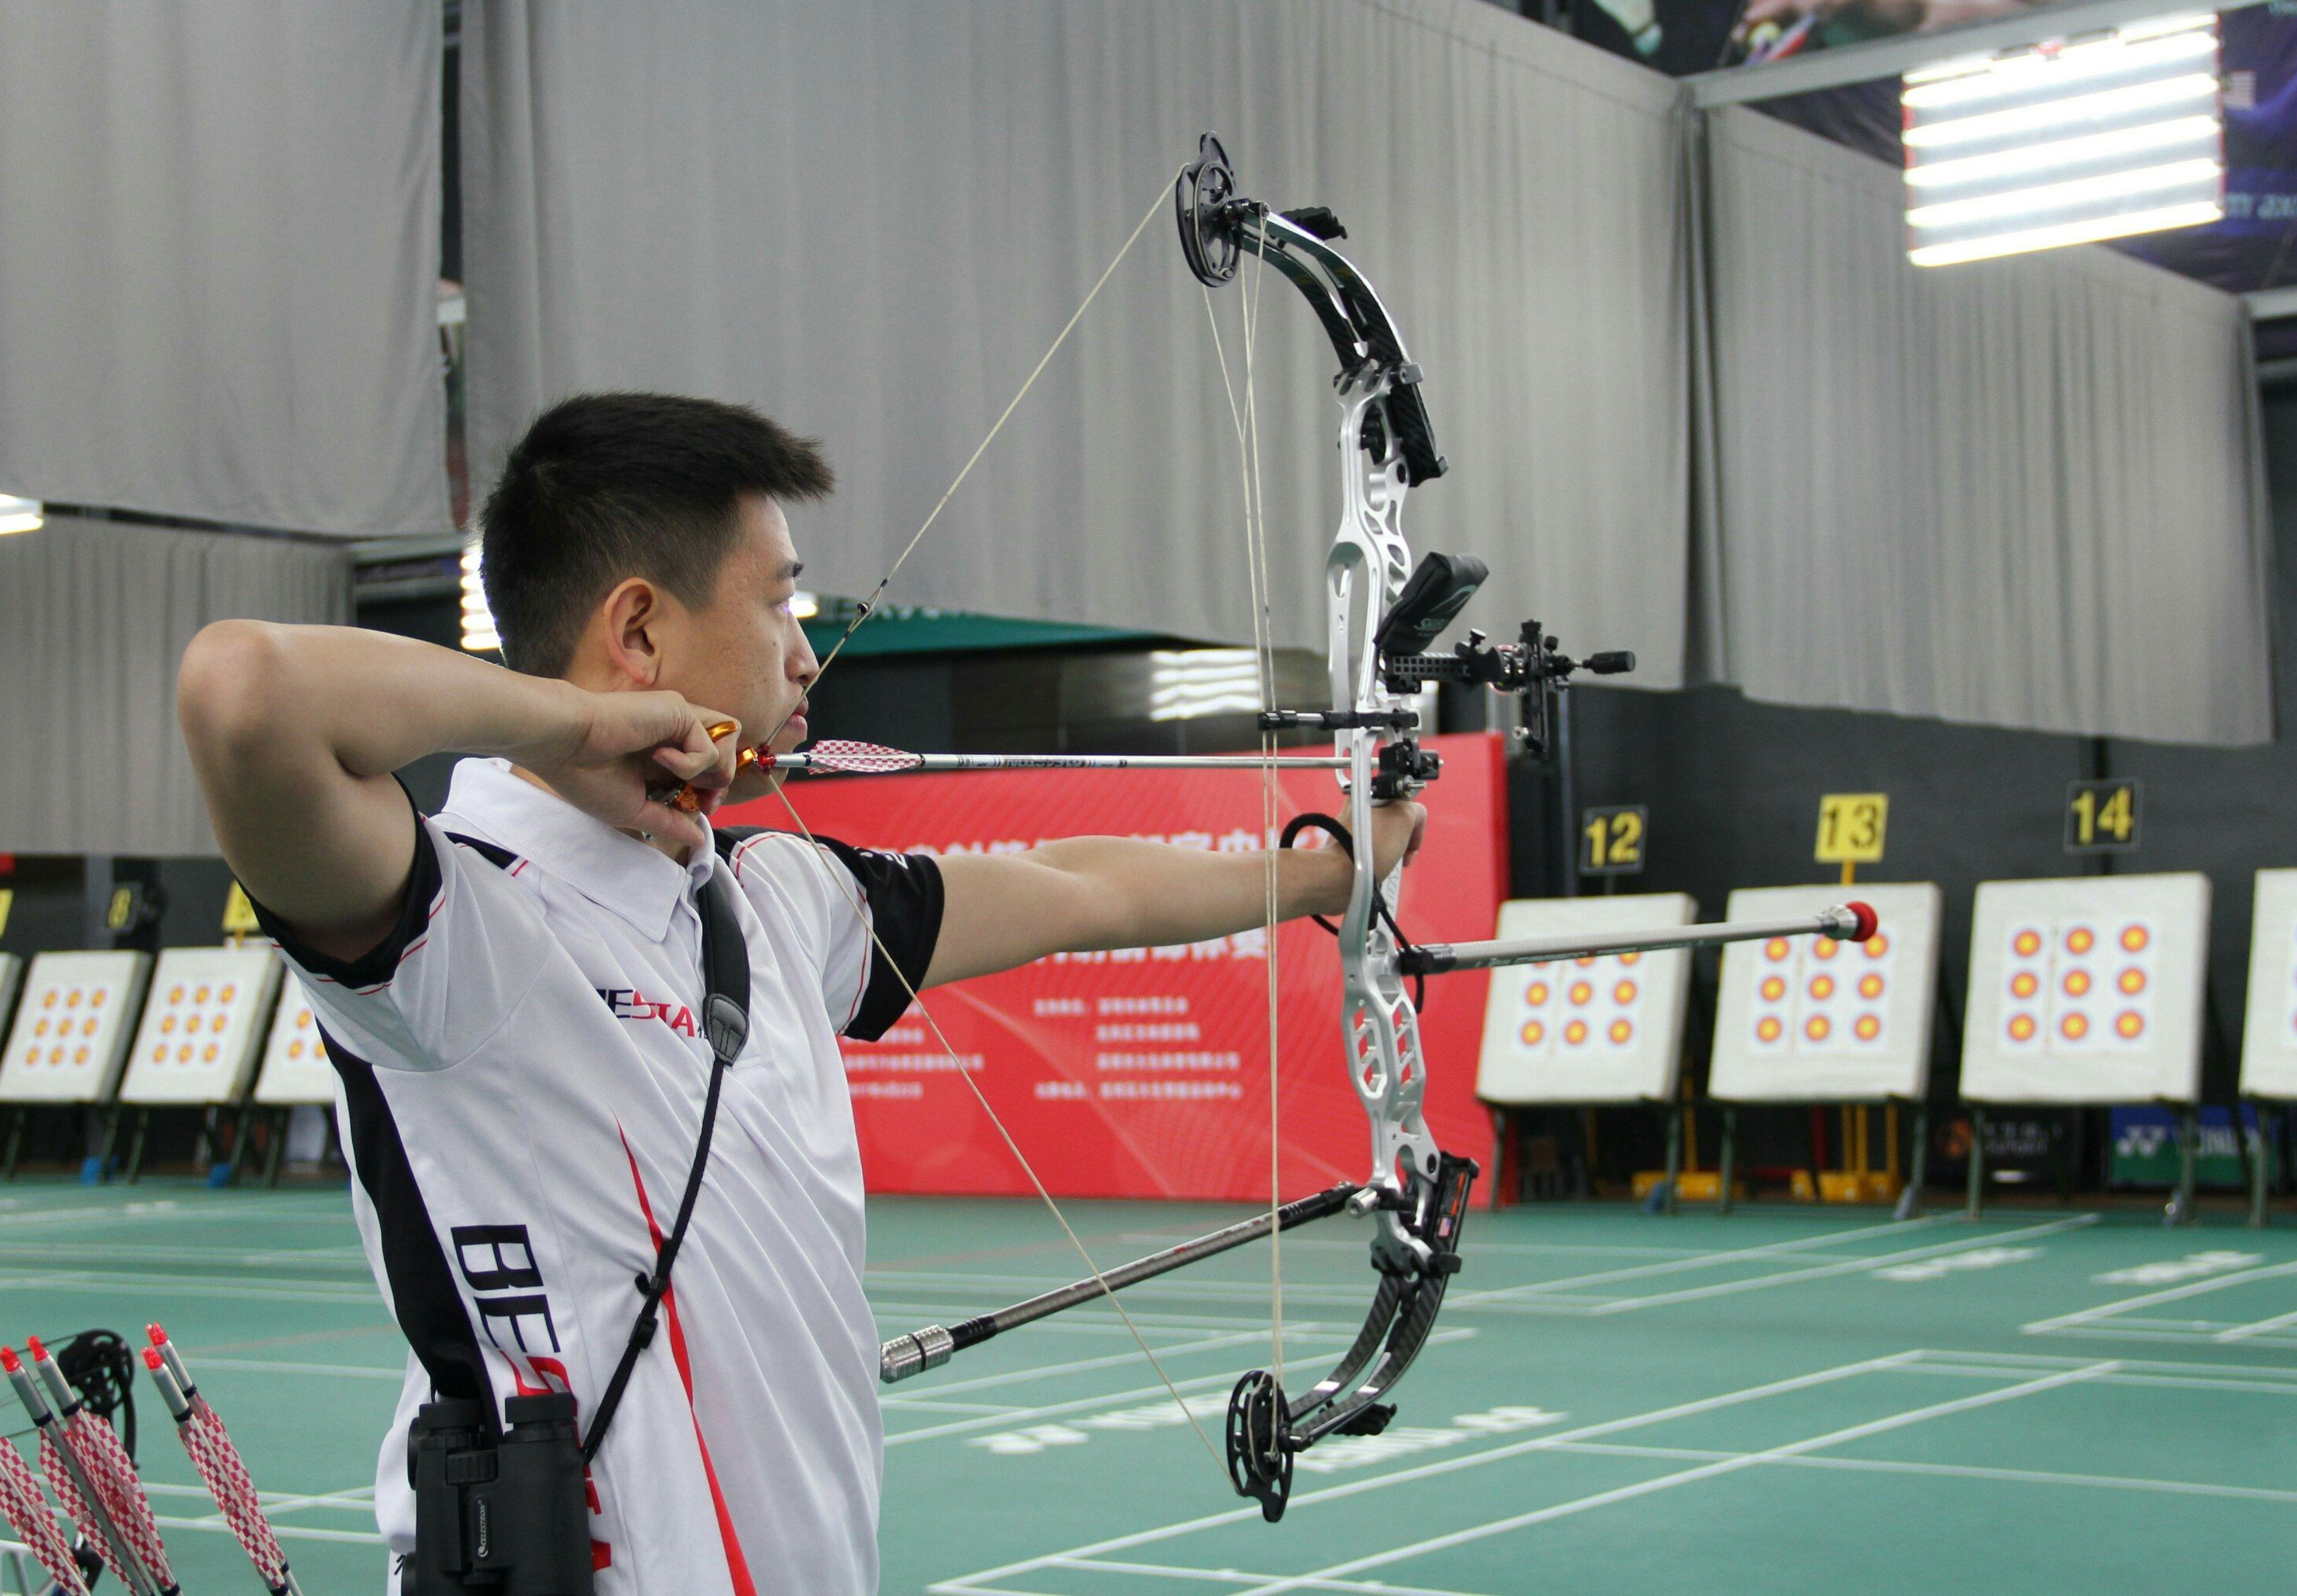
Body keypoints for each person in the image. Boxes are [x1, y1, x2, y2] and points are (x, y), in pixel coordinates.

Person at [175, 391, 1425, 1595]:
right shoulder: (459, 924)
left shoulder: (773, 900)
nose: (804, 653)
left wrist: (1332, 864)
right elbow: (245, 694)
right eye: (779, 603)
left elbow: (1075, 885)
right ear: (640, 633)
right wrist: (580, 724)